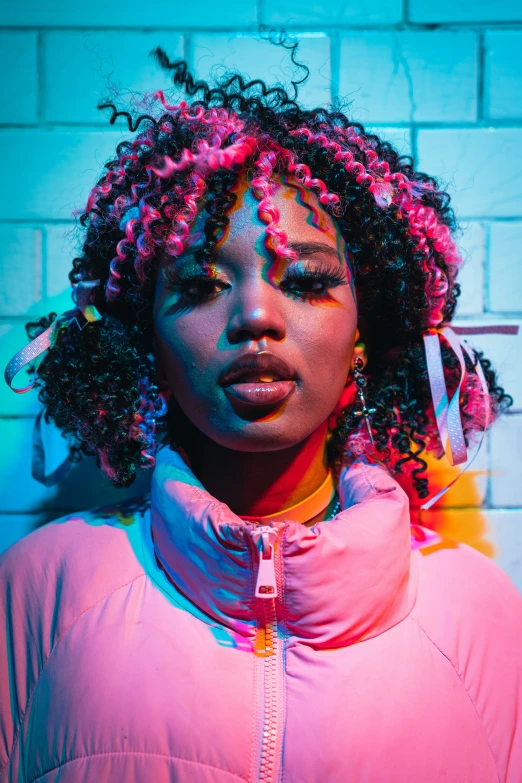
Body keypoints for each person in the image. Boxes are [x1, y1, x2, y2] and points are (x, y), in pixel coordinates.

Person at [1, 45, 522, 783]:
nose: (254, 316)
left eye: (306, 281)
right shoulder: (39, 591)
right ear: (141, 332)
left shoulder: (483, 616)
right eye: (203, 283)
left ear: (367, 330)